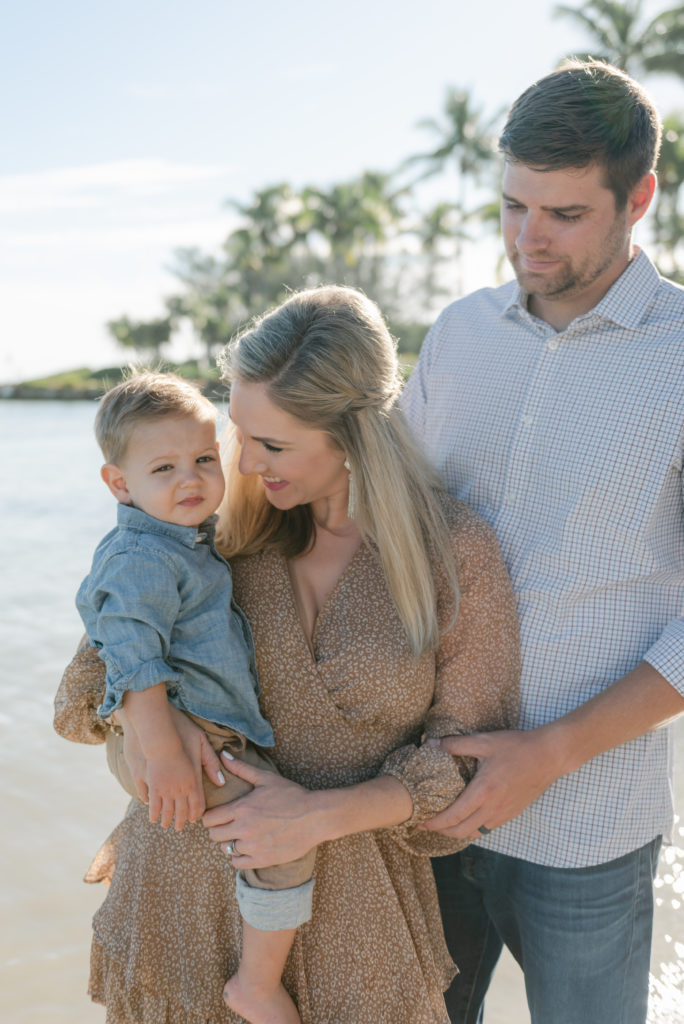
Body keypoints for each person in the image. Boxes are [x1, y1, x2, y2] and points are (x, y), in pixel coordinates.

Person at [54, 285, 520, 1024]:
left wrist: (320, 815)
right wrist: (151, 734)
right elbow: (82, 693)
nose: (240, 466)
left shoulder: (452, 551)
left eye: (272, 446)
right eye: (239, 434)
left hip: (360, 920)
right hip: (180, 897)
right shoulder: (208, 534)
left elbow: (473, 761)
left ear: (354, 436)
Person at [402, 59, 684, 1024]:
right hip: (416, 790)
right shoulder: (457, 334)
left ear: (638, 197)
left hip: (591, 819)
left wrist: (549, 753)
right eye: (515, 204)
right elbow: (374, 529)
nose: (529, 238)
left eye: (564, 214)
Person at [75, 370, 316, 1024]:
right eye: (164, 467)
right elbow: (127, 650)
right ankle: (257, 986)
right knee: (287, 840)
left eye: (205, 459)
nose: (191, 479)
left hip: (185, 734)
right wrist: (161, 749)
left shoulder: (184, 541)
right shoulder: (144, 556)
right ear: (119, 484)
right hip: (173, 739)